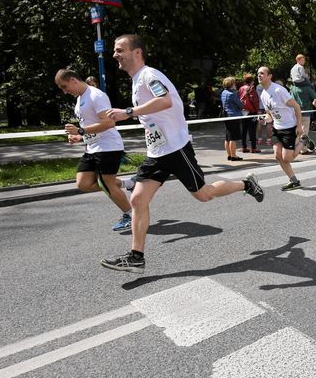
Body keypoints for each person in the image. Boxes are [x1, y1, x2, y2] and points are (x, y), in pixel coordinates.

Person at [101, 34, 264, 273]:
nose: (115, 54)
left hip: (176, 148)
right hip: (158, 151)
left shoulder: (149, 75)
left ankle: (246, 184)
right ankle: (136, 257)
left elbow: (165, 100)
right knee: (137, 199)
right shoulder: (136, 79)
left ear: (137, 52)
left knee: (204, 194)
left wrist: (129, 111)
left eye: (119, 50)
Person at [55, 69, 134, 232]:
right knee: (83, 183)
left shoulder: (96, 96)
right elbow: (90, 127)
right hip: (93, 147)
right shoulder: (80, 99)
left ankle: (131, 215)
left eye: (64, 86)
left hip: (108, 147)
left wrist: (81, 131)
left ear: (73, 80)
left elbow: (109, 123)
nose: (64, 91)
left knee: (106, 184)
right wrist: (79, 137)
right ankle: (128, 183)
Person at [258, 67, 306, 191]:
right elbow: (270, 115)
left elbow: (296, 107)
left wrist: (299, 125)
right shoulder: (263, 94)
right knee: (277, 156)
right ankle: (294, 181)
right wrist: (264, 120)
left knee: (287, 158)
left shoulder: (279, 90)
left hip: (289, 127)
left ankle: (303, 141)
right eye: (258, 73)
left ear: (269, 76)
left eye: (262, 73)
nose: (259, 75)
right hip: (277, 127)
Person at [289, 54, 316, 149]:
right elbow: (303, 76)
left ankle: (295, 147)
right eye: (303, 60)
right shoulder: (307, 87)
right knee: (304, 131)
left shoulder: (292, 88)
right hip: (306, 111)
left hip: (296, 112)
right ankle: (302, 148)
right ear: (299, 60)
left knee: (297, 130)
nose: (304, 61)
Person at [220, 76, 245, 161]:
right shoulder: (232, 94)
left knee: (228, 137)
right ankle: (234, 156)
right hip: (234, 116)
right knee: (233, 138)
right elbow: (240, 105)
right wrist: (242, 102)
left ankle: (229, 155)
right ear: (231, 84)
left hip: (226, 116)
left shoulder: (223, 92)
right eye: (234, 83)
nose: (236, 85)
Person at [238, 73, 261, 153]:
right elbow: (255, 101)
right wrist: (258, 110)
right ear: (251, 80)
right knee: (252, 129)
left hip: (244, 111)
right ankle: (253, 148)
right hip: (252, 112)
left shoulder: (241, 88)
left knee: (244, 129)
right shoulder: (251, 88)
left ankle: (244, 147)